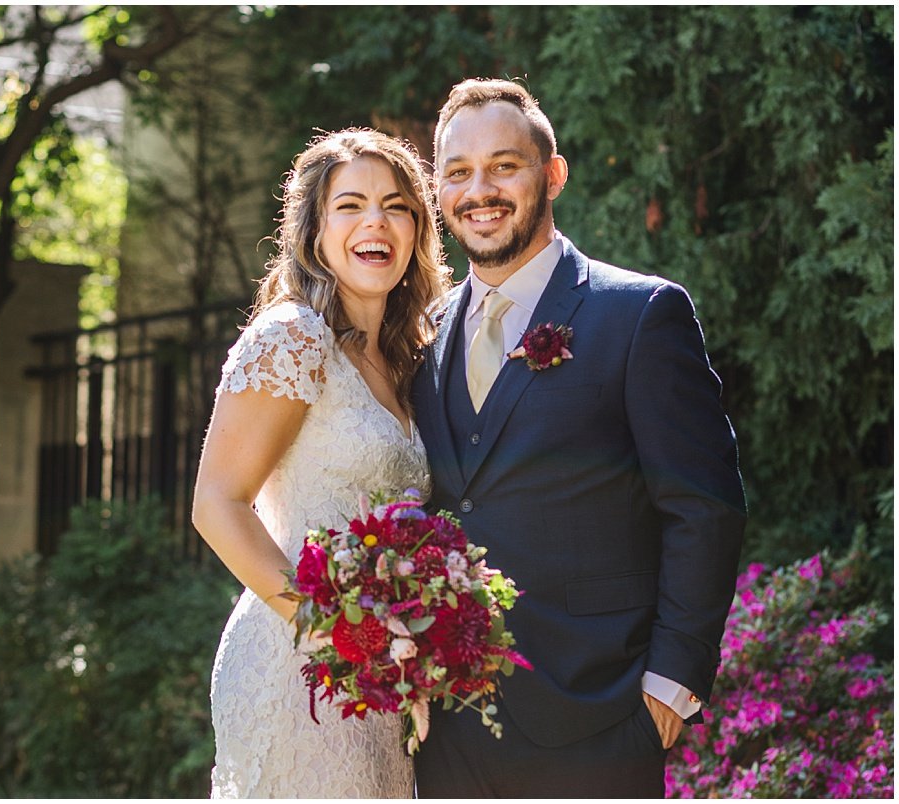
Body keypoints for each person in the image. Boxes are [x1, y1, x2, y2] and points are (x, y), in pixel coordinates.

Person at [410, 78, 747, 797]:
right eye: (460, 172)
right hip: (443, 728)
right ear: (439, 191)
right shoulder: (422, 333)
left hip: (599, 718)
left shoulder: (640, 315)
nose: (481, 190)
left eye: (505, 165)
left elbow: (704, 506)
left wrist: (669, 686)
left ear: (552, 174)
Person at [192, 128, 451, 798]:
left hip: (382, 673)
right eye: (351, 205)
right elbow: (216, 503)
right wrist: (339, 632)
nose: (376, 221)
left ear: (418, 230)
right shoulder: (294, 335)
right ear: (314, 230)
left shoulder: (409, 357)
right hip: (298, 664)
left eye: (398, 206)